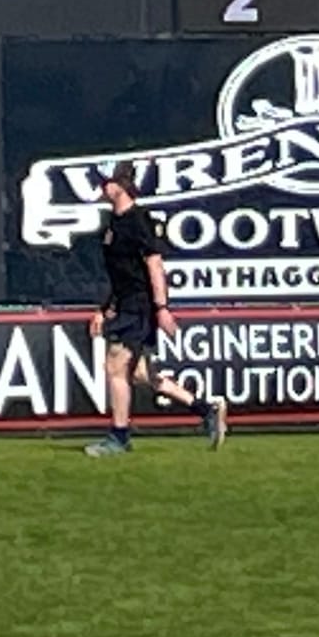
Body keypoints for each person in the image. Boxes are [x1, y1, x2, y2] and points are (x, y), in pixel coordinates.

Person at [84, 162, 229, 457]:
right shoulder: (113, 223)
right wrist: (104, 308)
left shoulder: (139, 220)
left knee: (115, 366)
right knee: (141, 374)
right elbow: (120, 274)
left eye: (106, 182)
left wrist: (162, 308)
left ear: (120, 186)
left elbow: (154, 265)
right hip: (124, 303)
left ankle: (119, 437)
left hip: (139, 305)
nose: (101, 187)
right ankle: (206, 410)